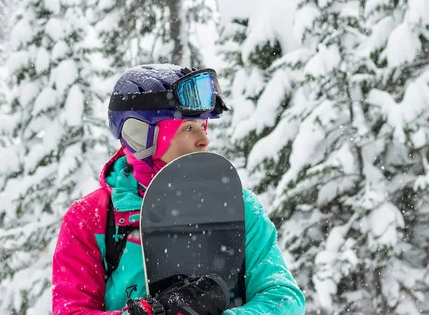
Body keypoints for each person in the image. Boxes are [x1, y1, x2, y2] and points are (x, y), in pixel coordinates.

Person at [52, 64, 306, 315]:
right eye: (188, 128)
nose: (204, 140)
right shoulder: (92, 217)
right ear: (141, 136)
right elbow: (71, 310)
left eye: (204, 126)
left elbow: (283, 297)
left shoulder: (238, 205)